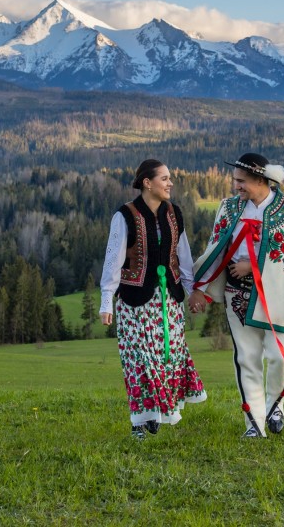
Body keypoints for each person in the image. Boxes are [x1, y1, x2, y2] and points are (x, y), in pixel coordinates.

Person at [189, 153, 284, 438]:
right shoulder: (229, 208)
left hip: (280, 295)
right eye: (235, 181)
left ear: (261, 180)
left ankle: (276, 404)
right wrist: (201, 288)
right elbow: (216, 248)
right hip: (239, 293)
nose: (236, 187)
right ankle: (254, 424)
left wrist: (253, 265)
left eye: (242, 181)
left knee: (281, 357)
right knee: (247, 356)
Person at [100, 159, 207, 440]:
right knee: (138, 359)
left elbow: (183, 257)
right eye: (164, 178)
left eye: (170, 178)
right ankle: (139, 420)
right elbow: (113, 259)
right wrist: (106, 300)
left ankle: (155, 413)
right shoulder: (125, 216)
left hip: (168, 299)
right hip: (135, 301)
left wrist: (191, 290)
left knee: (165, 358)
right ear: (147, 183)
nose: (170, 183)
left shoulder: (174, 214)